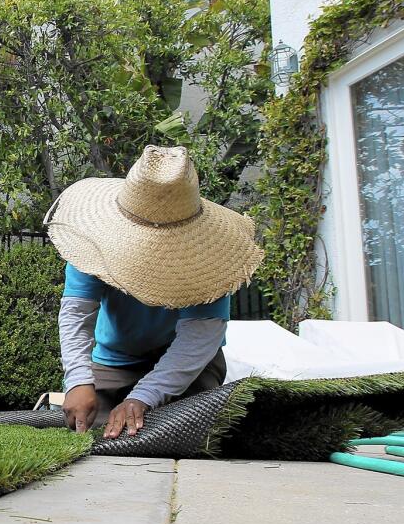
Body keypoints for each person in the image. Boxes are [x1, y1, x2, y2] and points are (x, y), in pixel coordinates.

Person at [44, 145, 264, 439]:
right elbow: (76, 316)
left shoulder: (211, 260)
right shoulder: (91, 244)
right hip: (115, 358)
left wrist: (142, 398)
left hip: (189, 364)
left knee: (185, 430)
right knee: (98, 429)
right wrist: (79, 382)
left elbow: (199, 337)